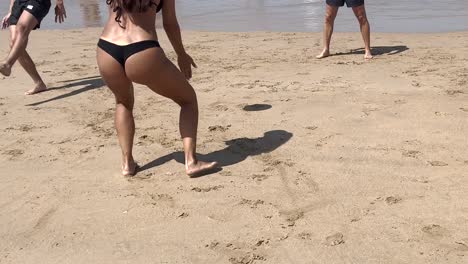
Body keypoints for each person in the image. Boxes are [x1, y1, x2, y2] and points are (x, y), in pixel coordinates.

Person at [97, 0, 218, 176]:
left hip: (107, 48)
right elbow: (169, 24)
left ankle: (127, 164)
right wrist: (181, 54)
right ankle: (191, 161)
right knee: (188, 100)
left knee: (122, 103)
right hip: (142, 49)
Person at [0, 0, 67, 95]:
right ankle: (39, 83)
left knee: (22, 27)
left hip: (37, 1)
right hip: (18, 3)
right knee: (14, 43)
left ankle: (7, 64)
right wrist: (11, 11)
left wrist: (60, 2)